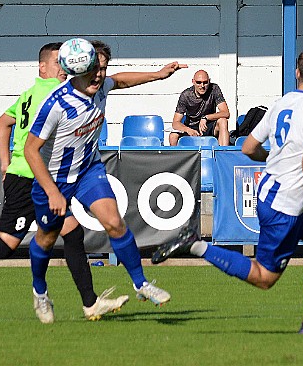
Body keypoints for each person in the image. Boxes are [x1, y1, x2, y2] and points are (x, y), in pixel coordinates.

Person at [152, 48, 303, 334]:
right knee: (264, 277)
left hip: (276, 192)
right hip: (286, 204)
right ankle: (196, 244)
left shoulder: (282, 103)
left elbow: (248, 148)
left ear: (297, 73)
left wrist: (274, 160)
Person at [24, 39, 187, 323]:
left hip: (88, 170)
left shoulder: (101, 87)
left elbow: (120, 80)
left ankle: (141, 283)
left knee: (114, 221)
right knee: (47, 239)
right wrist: (52, 191)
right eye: (93, 69)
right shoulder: (56, 104)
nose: (99, 75)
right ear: (77, 70)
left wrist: (158, 74)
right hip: (55, 180)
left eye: (103, 68)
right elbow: (30, 150)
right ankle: (40, 291)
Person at [0, 42, 128, 323]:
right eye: (59, 62)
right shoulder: (56, 93)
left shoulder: (28, 94)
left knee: (72, 233)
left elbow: (2, 121)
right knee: (4, 247)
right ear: (43, 67)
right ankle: (85, 302)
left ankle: (90, 303)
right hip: (31, 179)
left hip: (32, 175)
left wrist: (5, 161)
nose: (66, 67)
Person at [169, 70, 230, 146]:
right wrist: (188, 130)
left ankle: (223, 154)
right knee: (173, 136)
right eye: (198, 82)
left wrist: (206, 118)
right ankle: (177, 158)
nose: (202, 86)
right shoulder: (186, 95)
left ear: (209, 81)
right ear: (193, 82)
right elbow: (175, 123)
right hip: (191, 126)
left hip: (208, 125)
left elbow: (226, 113)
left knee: (223, 121)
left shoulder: (214, 89)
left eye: (205, 82)